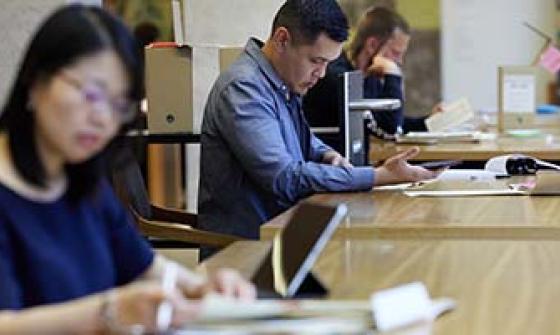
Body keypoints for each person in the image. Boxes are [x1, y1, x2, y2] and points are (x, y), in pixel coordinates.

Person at [0, 5, 254, 334]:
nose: (103, 118)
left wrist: (200, 286)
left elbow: (144, 267)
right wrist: (108, 312)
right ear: (36, 80)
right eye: (91, 94)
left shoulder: (83, 181)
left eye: (119, 105)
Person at [198, 0, 439, 255]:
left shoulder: (279, 80)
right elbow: (285, 178)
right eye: (316, 60)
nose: (322, 74)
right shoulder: (244, 89)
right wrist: (377, 176)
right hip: (248, 252)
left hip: (287, 235)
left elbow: (299, 137)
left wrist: (327, 153)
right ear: (282, 40)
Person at [303, 6, 442, 144]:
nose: (399, 61)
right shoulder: (339, 77)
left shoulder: (369, 76)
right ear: (372, 45)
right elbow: (389, 130)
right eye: (395, 53)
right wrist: (392, 74)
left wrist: (429, 121)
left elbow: (387, 121)